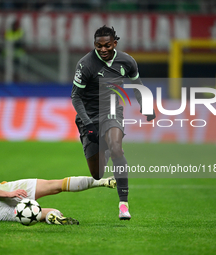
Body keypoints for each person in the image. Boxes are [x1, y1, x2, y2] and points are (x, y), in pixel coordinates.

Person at [71, 25, 155, 220]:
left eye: (107, 45)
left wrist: (146, 106)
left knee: (117, 148)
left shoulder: (127, 61)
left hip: (111, 111)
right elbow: (76, 97)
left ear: (114, 44)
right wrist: (88, 124)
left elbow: (137, 86)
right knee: (97, 174)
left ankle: (123, 205)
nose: (103, 49)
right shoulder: (86, 64)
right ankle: (103, 146)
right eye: (98, 46)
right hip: (89, 117)